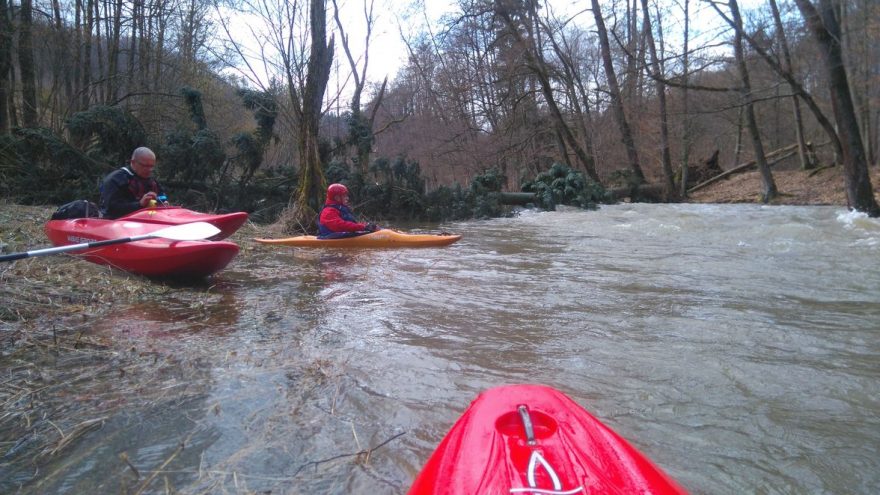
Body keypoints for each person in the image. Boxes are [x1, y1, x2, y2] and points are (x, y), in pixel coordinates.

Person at [99, 147, 167, 219]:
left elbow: (162, 196)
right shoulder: (115, 180)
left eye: (152, 166)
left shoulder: (152, 181)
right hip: (117, 222)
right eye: (145, 166)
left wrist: (163, 203)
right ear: (133, 162)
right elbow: (111, 209)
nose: (149, 170)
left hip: (147, 221)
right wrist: (140, 204)